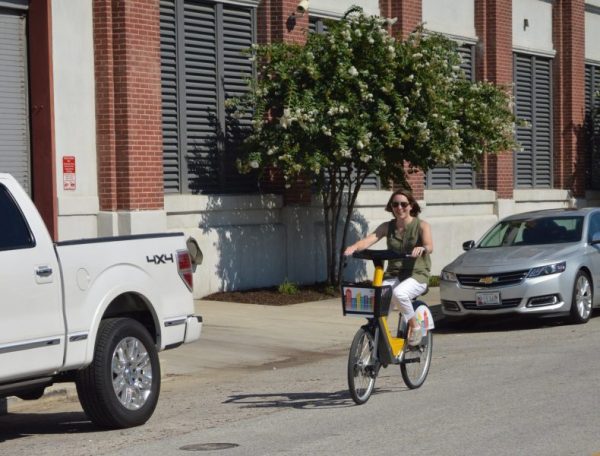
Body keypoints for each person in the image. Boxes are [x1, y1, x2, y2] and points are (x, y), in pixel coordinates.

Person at [343, 189, 433, 346]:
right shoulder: (387, 227)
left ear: (411, 205)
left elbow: (429, 245)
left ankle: (415, 326)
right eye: (395, 204)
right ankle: (376, 340)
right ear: (391, 207)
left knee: (399, 294)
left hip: (417, 274)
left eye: (403, 204)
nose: (399, 208)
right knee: (378, 295)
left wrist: (423, 249)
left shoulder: (422, 226)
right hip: (394, 274)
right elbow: (369, 239)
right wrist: (353, 247)